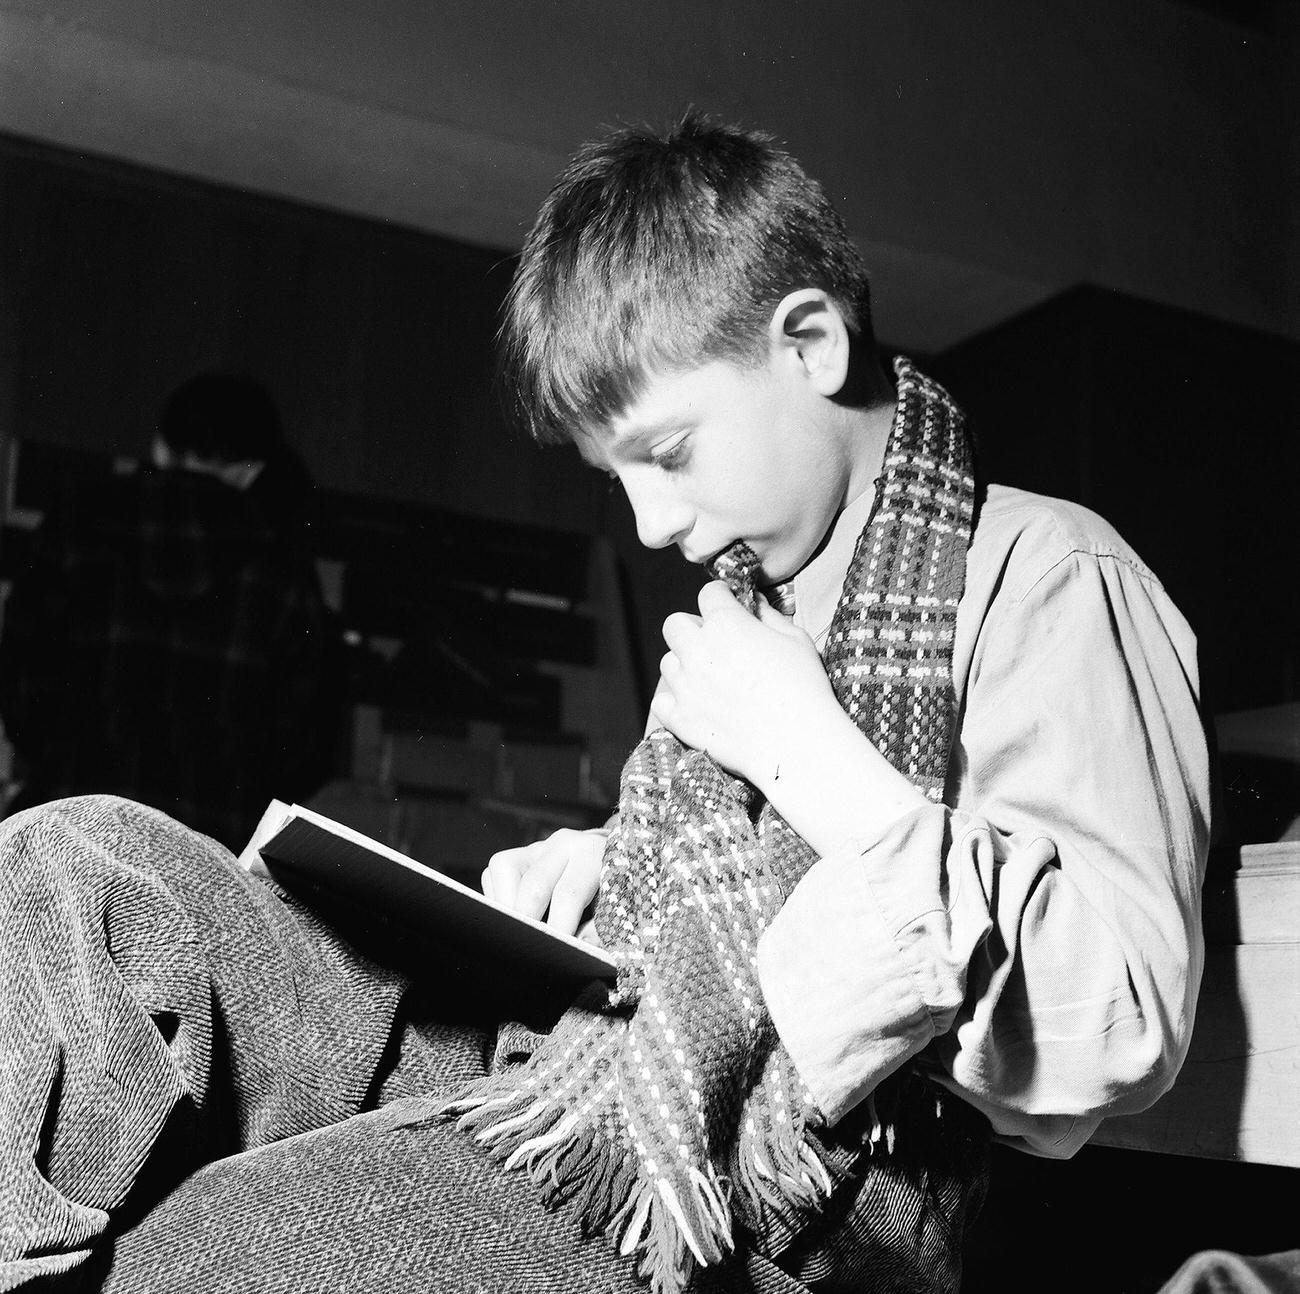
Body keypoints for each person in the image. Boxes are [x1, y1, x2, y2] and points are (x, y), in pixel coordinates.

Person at [0, 116, 1210, 1294]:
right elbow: (714, 902)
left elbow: (1119, 1022)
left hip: (819, 1171)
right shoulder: (755, 598)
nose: (649, 523)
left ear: (810, 345)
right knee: (73, 879)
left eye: (668, 452)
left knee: (219, 1249)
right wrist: (595, 864)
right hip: (587, 1053)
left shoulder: (1048, 572)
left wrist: (799, 745)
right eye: (614, 476)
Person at [0, 373, 340, 849]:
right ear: (250, 468)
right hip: (212, 845)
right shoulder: (282, 563)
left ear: (161, 446)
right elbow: (302, 738)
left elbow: (20, 681)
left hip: (71, 823)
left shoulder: (77, 520)